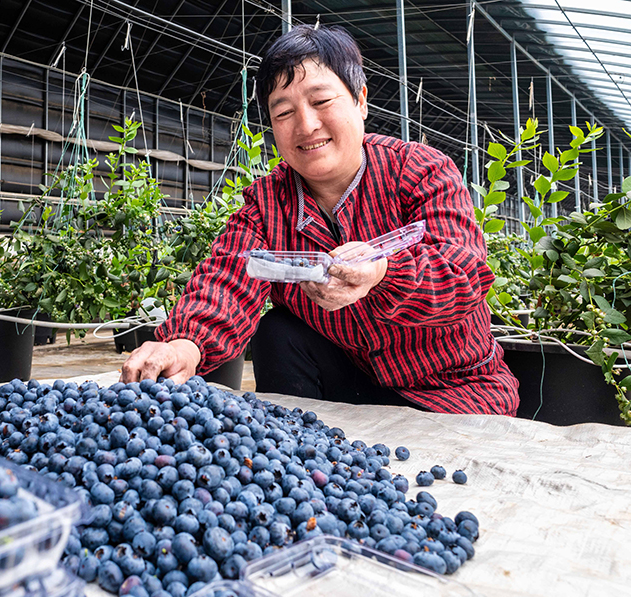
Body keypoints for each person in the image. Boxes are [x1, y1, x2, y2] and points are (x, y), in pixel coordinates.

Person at [121, 24, 519, 416]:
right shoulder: (267, 204)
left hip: (453, 387)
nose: (306, 125)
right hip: (351, 384)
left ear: (360, 100)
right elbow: (227, 279)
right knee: (277, 332)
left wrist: (383, 273)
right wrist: (183, 346)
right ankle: (299, 449)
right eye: (284, 111)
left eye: (321, 101)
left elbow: (463, 276)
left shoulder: (419, 170)